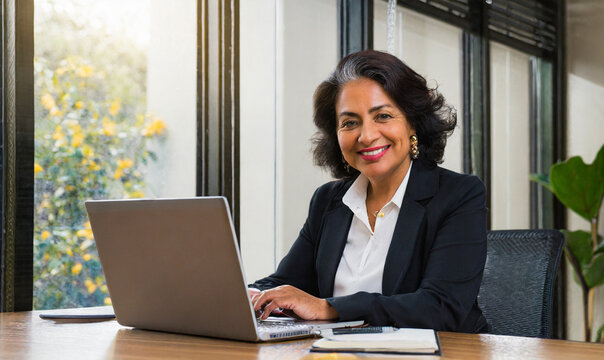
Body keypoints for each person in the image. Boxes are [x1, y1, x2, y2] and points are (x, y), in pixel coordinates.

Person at [249, 50, 488, 333]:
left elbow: (441, 307)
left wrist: (330, 308)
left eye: (383, 116)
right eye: (350, 123)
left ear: (412, 123)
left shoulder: (458, 195)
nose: (366, 135)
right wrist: (248, 296)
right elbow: (286, 282)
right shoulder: (328, 202)